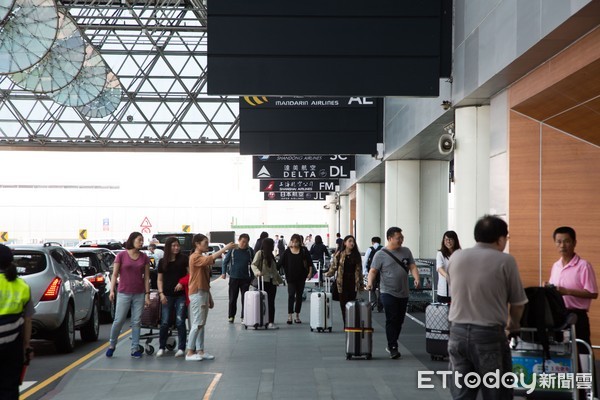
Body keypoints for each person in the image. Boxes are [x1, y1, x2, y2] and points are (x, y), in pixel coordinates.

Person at [447, 215, 528, 399]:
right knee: (496, 393)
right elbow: (517, 303)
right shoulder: (505, 261)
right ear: (500, 239)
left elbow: (455, 288)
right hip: (488, 336)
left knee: (462, 394)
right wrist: (513, 324)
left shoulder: (456, 257)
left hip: (456, 334)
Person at [366, 227, 420, 359]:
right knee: (391, 317)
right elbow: (373, 271)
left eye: (402, 238)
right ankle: (393, 346)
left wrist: (417, 278)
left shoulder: (406, 251)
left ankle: (392, 342)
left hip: (403, 291)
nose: (401, 240)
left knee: (399, 320)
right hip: (387, 291)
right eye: (398, 238)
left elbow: (412, 266)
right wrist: (369, 282)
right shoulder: (380, 254)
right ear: (390, 238)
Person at [548, 226, 597, 352]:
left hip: (577, 316)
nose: (562, 245)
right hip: (558, 316)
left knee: (582, 352)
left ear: (574, 243)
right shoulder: (556, 266)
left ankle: (585, 373)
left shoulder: (583, 265)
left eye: (567, 241)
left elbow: (593, 293)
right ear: (555, 243)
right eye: (559, 242)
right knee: (561, 353)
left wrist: (567, 292)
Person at [186, 234, 234, 361]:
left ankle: (200, 350)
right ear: (197, 244)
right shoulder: (195, 257)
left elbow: (205, 280)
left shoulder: (200, 257)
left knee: (201, 323)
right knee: (197, 323)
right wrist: (225, 248)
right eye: (205, 243)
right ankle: (190, 352)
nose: (207, 245)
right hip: (197, 293)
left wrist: (209, 297)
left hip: (203, 292)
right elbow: (211, 258)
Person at [106, 231, 151, 358]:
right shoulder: (121, 255)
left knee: (136, 321)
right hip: (123, 292)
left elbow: (147, 277)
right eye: (139, 240)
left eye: (142, 240)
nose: (141, 242)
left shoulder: (144, 257)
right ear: (132, 241)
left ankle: (134, 348)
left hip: (139, 293)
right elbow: (114, 274)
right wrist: (112, 290)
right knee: (118, 320)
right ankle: (112, 344)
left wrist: (147, 295)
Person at [0, 244, 34, 400]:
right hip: (13, 346)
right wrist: (26, 346)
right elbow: (28, 320)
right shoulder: (22, 286)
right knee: (10, 388)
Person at [156, 236, 189, 358]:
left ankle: (181, 348)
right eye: (173, 245)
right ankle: (161, 347)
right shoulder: (162, 262)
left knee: (180, 321)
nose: (176, 248)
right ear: (168, 247)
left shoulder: (184, 259)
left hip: (181, 296)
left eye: (177, 245)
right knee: (164, 322)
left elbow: (190, 275)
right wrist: (161, 294)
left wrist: (182, 283)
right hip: (166, 296)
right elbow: (159, 279)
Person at [326, 235, 363, 326]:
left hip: (353, 282)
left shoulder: (356, 255)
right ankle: (346, 323)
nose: (352, 243)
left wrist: (360, 284)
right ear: (345, 243)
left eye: (353, 241)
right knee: (343, 304)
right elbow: (333, 267)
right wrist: (327, 274)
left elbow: (359, 271)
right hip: (341, 282)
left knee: (352, 303)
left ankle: (351, 322)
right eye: (350, 241)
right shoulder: (339, 254)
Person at [278, 234, 313, 324]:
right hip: (290, 277)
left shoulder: (304, 251)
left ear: (300, 242)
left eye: (296, 241)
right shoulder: (287, 252)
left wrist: (309, 273)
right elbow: (280, 263)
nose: (294, 243)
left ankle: (297, 315)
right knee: (291, 295)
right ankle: (290, 315)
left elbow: (310, 263)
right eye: (293, 241)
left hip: (301, 277)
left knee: (299, 296)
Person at [221, 233, 255, 323]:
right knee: (232, 298)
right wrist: (223, 273)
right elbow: (225, 262)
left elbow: (254, 264)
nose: (244, 244)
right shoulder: (232, 250)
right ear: (239, 241)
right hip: (234, 278)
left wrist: (252, 277)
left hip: (245, 279)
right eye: (243, 242)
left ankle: (244, 316)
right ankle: (231, 316)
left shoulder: (250, 251)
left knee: (245, 299)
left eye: (246, 242)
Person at [251, 238, 283, 329]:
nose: (274, 246)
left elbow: (274, 271)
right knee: (262, 302)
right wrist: (257, 272)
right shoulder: (260, 253)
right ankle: (261, 320)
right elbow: (254, 264)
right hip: (262, 281)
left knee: (271, 303)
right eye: (272, 244)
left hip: (271, 282)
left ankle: (270, 322)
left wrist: (279, 281)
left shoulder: (271, 255)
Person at [435, 231, 461, 304]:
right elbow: (440, 268)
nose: (448, 242)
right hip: (444, 291)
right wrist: (447, 276)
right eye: (446, 239)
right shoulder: (440, 254)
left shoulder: (460, 253)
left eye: (450, 239)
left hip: (457, 290)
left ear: (455, 240)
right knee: (444, 313)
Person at [363, 237, 383, 312]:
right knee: (381, 289)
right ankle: (380, 304)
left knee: (371, 288)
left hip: (371, 272)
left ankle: (373, 302)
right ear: (380, 242)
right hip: (381, 272)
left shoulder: (370, 249)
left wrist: (365, 271)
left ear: (372, 242)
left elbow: (365, 260)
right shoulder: (383, 249)